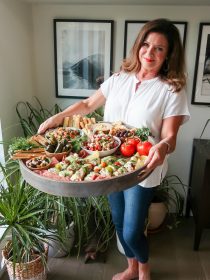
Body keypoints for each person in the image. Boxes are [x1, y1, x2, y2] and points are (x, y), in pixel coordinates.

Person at [38, 18, 190, 280]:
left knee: (132, 231)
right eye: (146, 44)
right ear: (138, 45)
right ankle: (131, 267)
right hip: (107, 163)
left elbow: (170, 137)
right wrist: (56, 119)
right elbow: (87, 104)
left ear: (169, 55)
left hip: (142, 167)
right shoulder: (120, 78)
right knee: (118, 221)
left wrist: (163, 147)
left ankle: (144, 270)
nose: (149, 53)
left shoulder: (172, 90)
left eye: (159, 49)